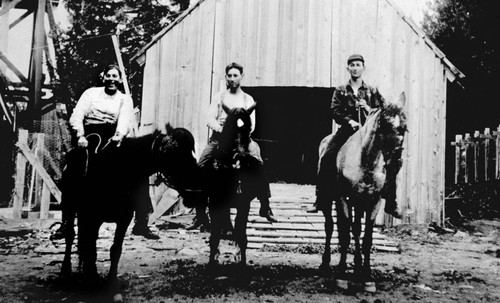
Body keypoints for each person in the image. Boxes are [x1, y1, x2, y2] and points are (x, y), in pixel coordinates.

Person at [52, 64, 159, 240]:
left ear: (119, 79)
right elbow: (78, 114)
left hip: (114, 136)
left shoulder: (125, 98)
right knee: (73, 165)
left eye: (115, 76)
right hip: (90, 135)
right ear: (103, 77)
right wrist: (80, 134)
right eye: (108, 75)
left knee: (140, 171)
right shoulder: (90, 93)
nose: (111, 79)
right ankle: (67, 224)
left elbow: (125, 118)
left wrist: (119, 135)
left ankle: (141, 223)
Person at [307, 54, 402, 219]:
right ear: (348, 69)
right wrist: (349, 121)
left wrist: (367, 108)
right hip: (347, 131)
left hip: (368, 133)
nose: (355, 68)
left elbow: (383, 112)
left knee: (391, 160)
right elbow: (334, 110)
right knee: (328, 155)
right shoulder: (341, 90)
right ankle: (321, 198)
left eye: (358, 65)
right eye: (352, 65)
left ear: (363, 68)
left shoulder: (372, 91)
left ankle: (391, 203)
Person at [187, 62, 277, 230]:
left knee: (257, 162)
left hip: (241, 138)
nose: (232, 78)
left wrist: (239, 131)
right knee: (201, 167)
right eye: (230, 75)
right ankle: (200, 216)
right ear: (226, 77)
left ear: (242, 76)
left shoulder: (247, 99)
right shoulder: (219, 97)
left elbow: (252, 124)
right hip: (220, 138)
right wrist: (222, 129)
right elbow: (209, 118)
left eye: (236, 75)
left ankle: (265, 204)